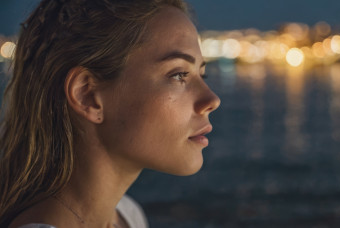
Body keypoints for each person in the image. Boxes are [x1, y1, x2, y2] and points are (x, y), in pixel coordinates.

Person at [0, 0, 220, 227]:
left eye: (201, 75)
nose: (212, 100)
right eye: (179, 74)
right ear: (88, 96)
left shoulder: (128, 216)